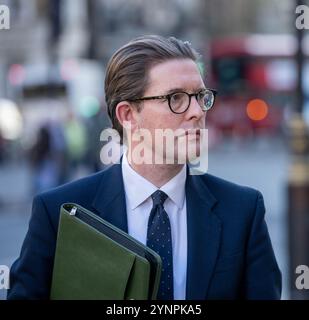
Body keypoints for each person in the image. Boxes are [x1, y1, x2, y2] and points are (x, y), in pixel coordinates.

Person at [7, 35, 281, 300]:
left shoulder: (243, 210)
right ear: (128, 115)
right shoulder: (59, 212)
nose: (197, 111)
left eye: (200, 96)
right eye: (176, 98)